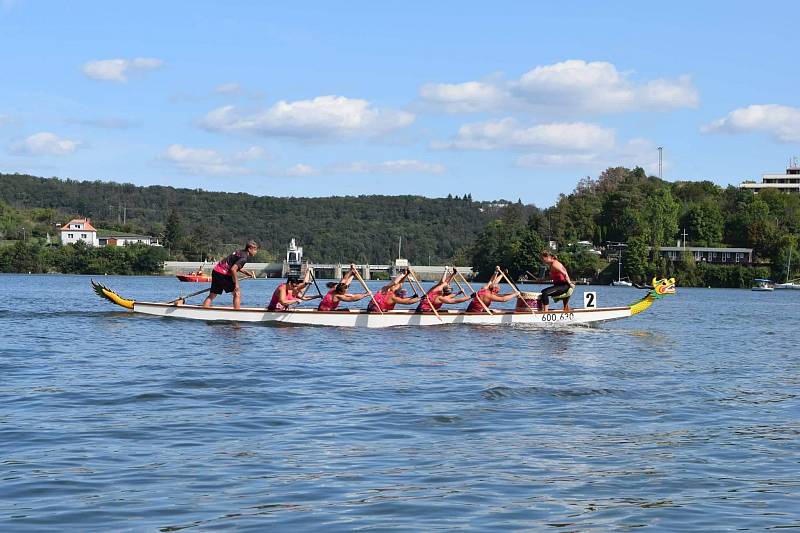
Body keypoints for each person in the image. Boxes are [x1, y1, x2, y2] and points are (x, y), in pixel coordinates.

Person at [203, 240, 258, 309]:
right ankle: (237, 314)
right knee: (237, 293)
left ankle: (204, 309)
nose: (256, 252)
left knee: (212, 295)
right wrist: (236, 284)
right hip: (223, 273)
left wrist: (247, 273)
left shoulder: (240, 252)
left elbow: (234, 266)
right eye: (255, 250)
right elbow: (233, 269)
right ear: (249, 249)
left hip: (216, 271)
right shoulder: (244, 258)